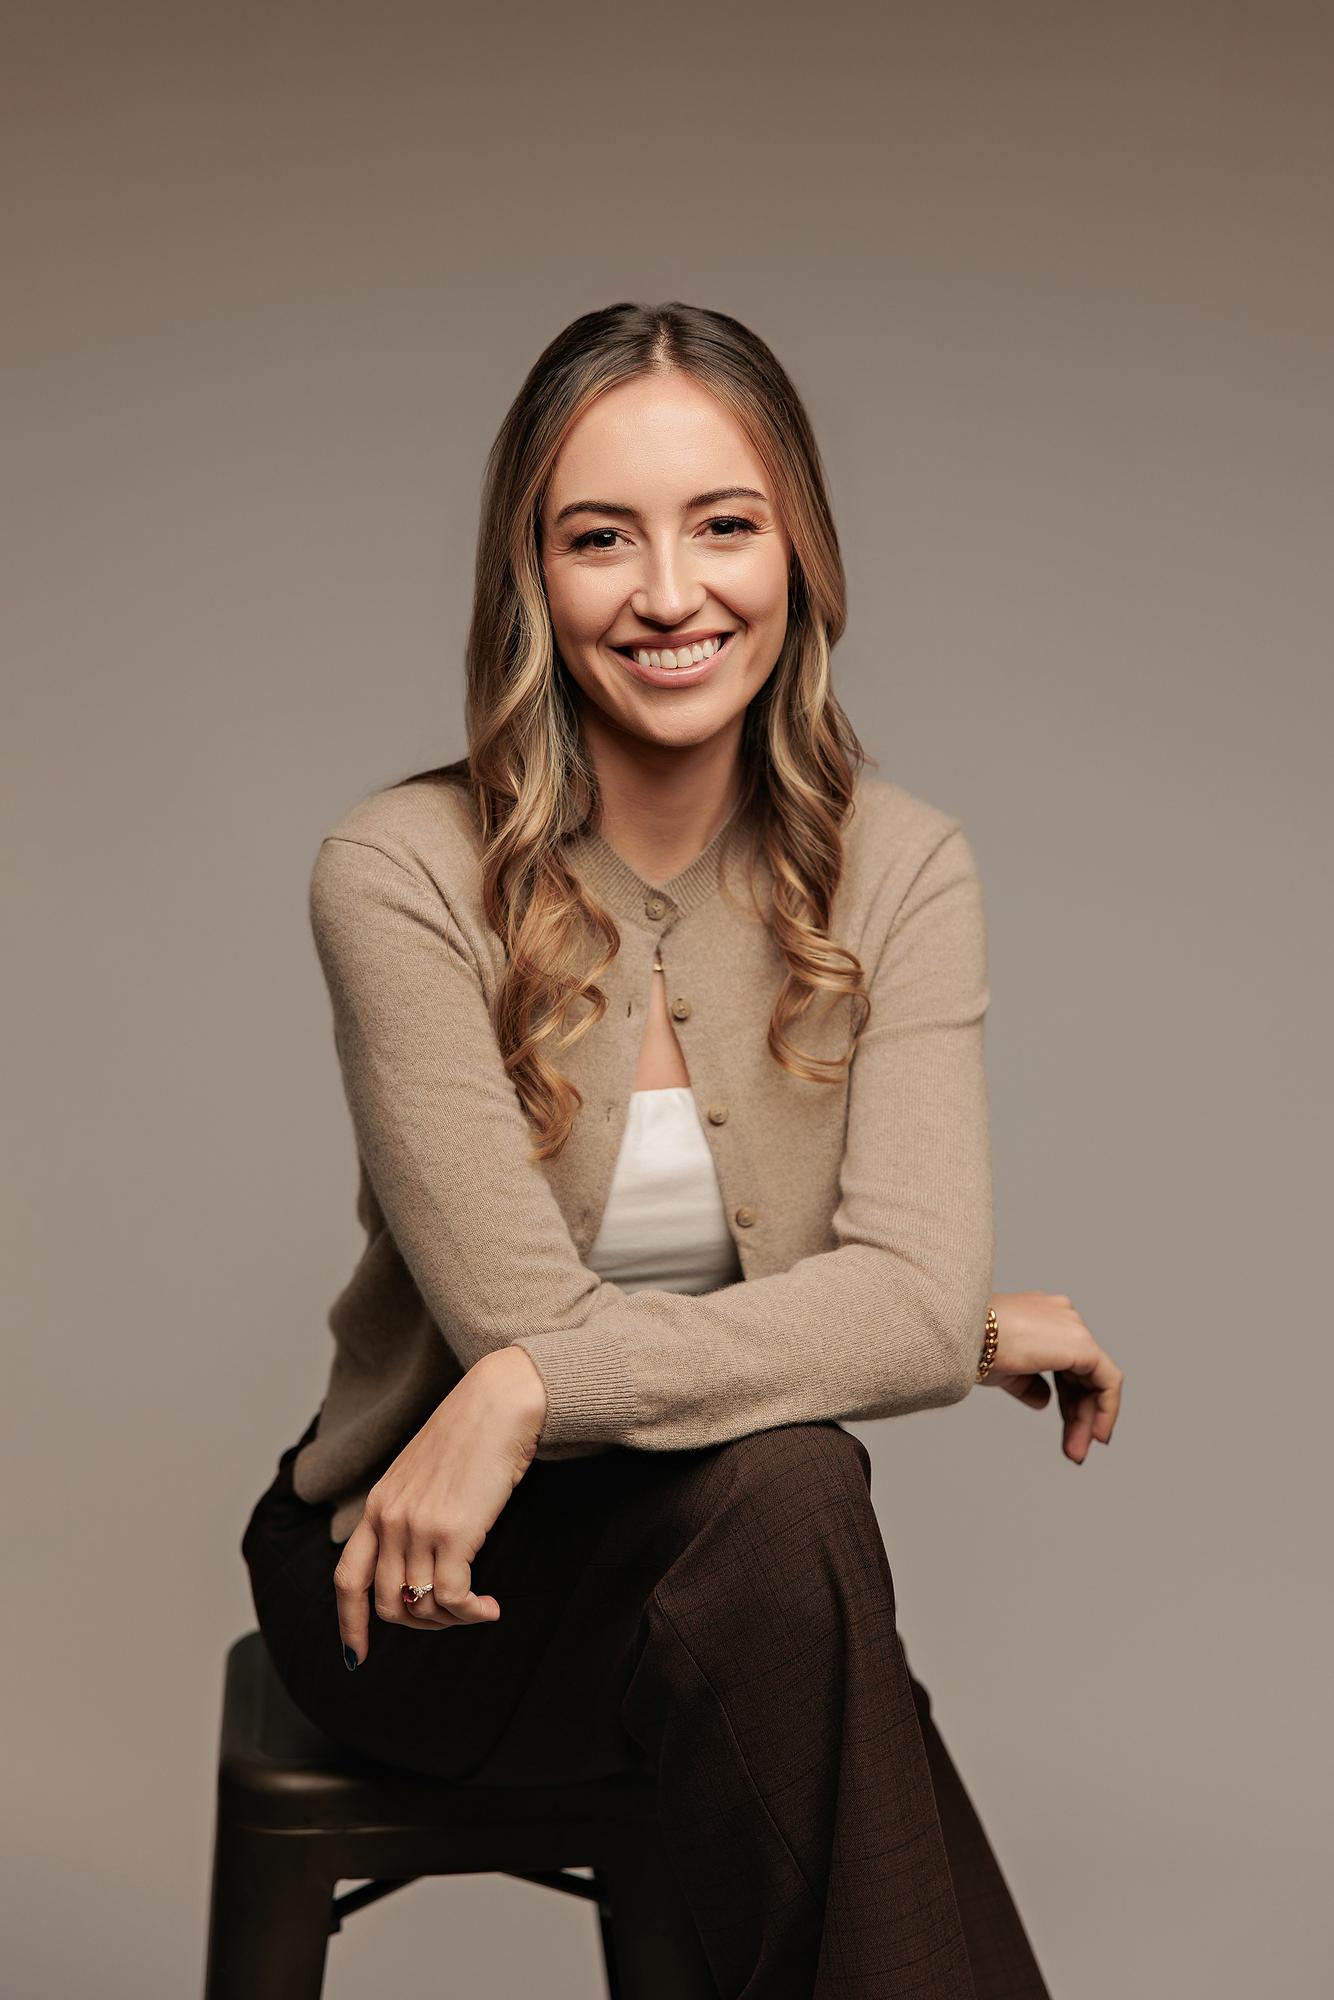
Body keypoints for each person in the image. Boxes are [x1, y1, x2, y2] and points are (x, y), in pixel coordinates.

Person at [242, 301, 1123, 1998]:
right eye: (599, 539)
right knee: (796, 1526)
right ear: (531, 577)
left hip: (735, 1558)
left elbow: (855, 1304)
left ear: (797, 549)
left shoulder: (903, 870)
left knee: (786, 1504)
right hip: (425, 1586)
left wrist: (521, 1391)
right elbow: (557, 1316)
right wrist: (969, 1331)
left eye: (723, 524)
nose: (667, 594)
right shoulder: (401, 870)